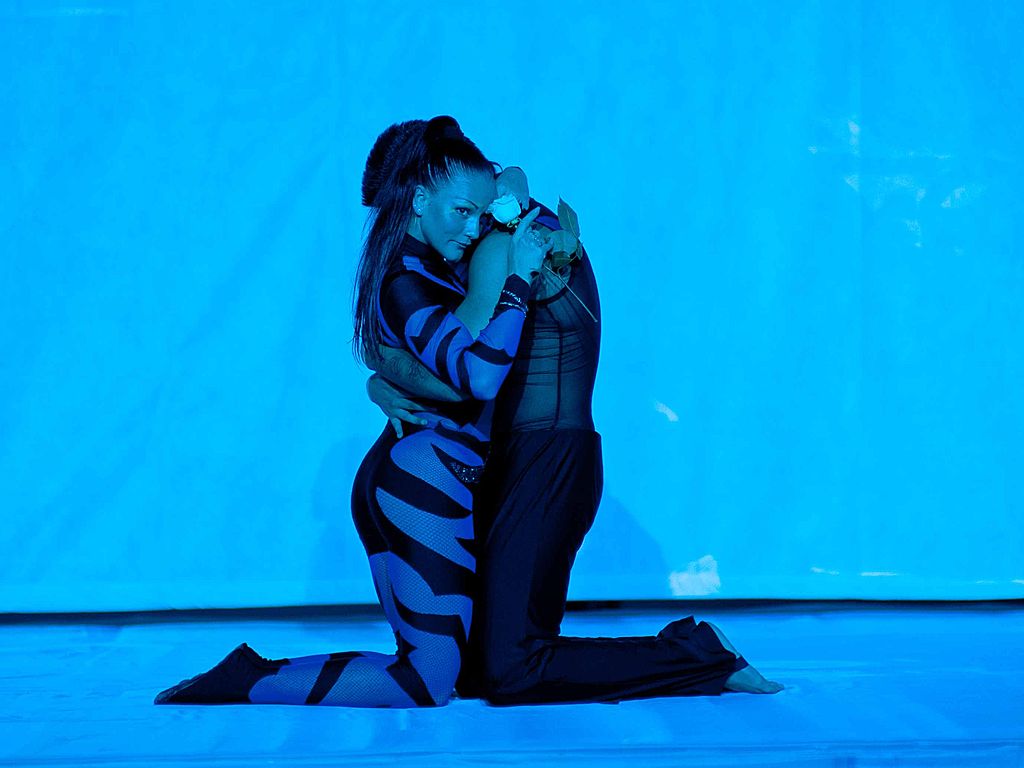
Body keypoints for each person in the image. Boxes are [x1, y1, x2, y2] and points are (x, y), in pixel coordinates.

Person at [154, 116, 551, 707]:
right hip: (424, 481)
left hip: (411, 474)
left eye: (479, 212)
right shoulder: (406, 279)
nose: (474, 229)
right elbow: (479, 376)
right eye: (462, 212)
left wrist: (381, 378)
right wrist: (517, 278)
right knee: (426, 681)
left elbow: (509, 180)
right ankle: (250, 680)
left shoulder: (425, 262)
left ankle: (252, 676)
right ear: (418, 199)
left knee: (432, 667)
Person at [367, 170, 784, 702]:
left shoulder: (503, 245)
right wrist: (382, 376)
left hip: (547, 459)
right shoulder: (511, 228)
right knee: (477, 668)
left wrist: (382, 372)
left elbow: (463, 373)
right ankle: (691, 652)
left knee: (510, 667)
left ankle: (699, 653)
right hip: (520, 460)